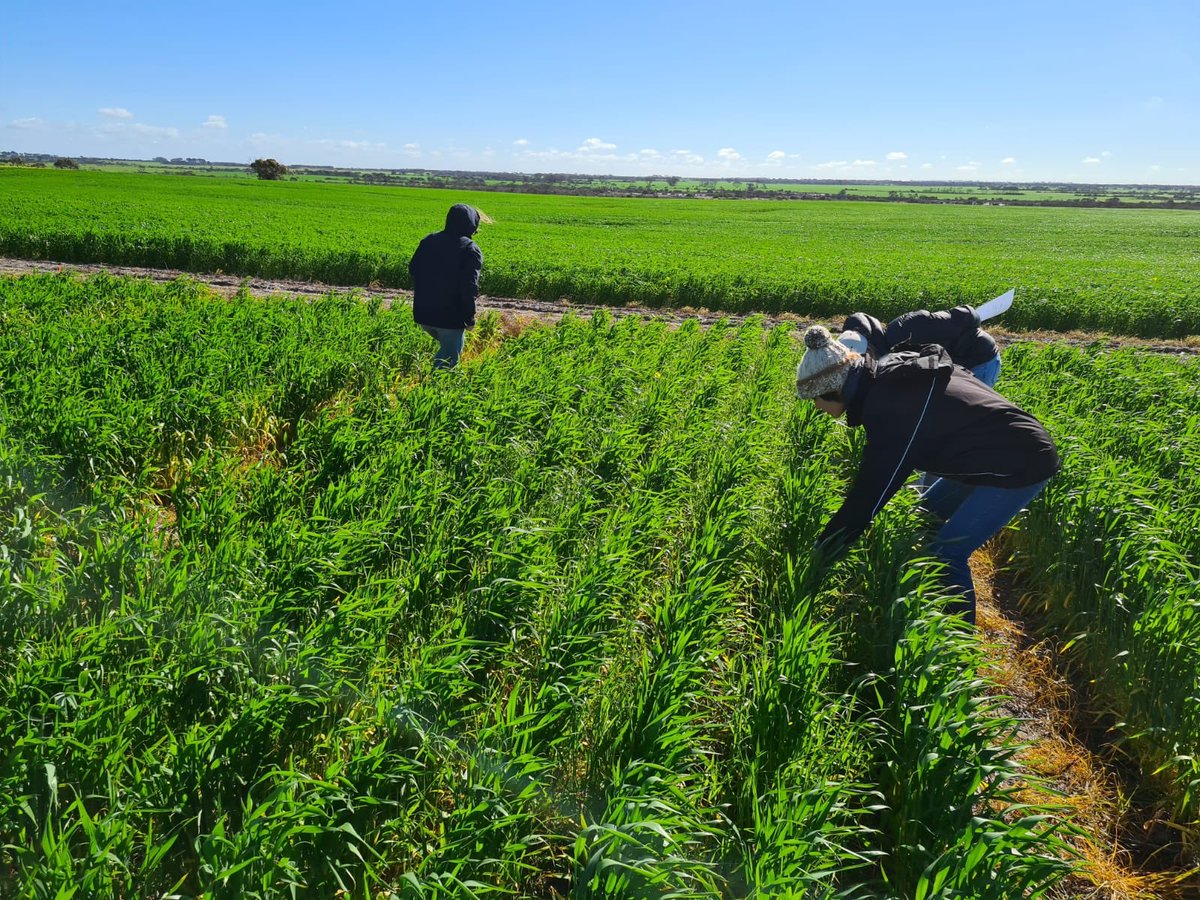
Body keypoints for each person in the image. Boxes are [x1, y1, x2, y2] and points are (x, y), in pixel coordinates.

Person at [796, 324, 1058, 625]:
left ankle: (957, 651)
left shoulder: (889, 407)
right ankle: (929, 605)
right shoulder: (887, 375)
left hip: (1019, 459)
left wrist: (820, 554)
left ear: (833, 388)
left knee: (946, 552)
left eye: (814, 399)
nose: (816, 408)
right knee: (924, 516)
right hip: (987, 449)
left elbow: (869, 497)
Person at [838, 289, 1014, 388]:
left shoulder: (906, 329)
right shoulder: (891, 347)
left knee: (963, 415)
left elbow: (964, 316)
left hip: (981, 362)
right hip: (959, 363)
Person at [408, 203, 489, 369]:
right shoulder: (470, 249)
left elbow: (413, 269)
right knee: (448, 362)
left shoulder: (429, 240)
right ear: (472, 224)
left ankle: (431, 384)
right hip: (450, 317)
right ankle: (435, 390)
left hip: (424, 314)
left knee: (446, 349)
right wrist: (469, 318)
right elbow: (469, 286)